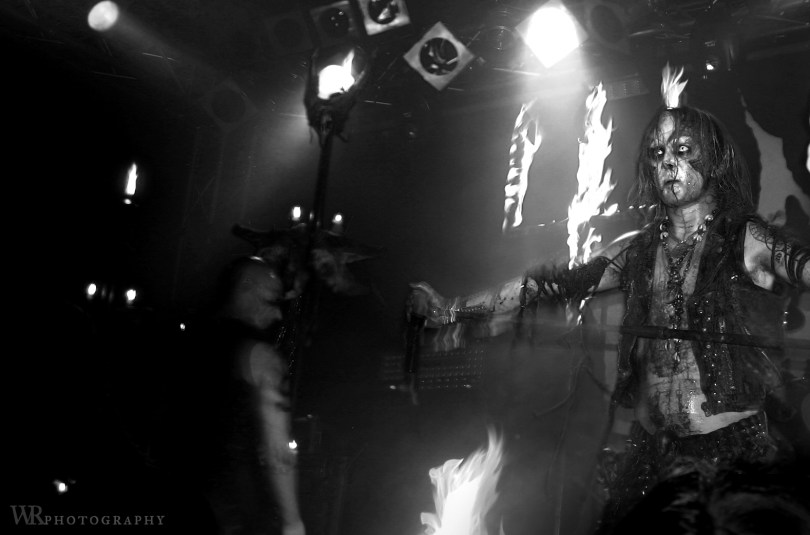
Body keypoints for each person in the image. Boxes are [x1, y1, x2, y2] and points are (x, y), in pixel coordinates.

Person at [406, 68, 809, 531]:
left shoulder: (746, 239)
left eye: (682, 150)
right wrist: (451, 309)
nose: (668, 163)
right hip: (654, 455)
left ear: (713, 160)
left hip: (731, 455)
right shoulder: (636, 251)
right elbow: (543, 285)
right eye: (657, 153)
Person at [175, 256, 306, 535]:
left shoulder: (186, 340)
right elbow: (277, 447)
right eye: (272, 301)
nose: (278, 315)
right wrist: (293, 521)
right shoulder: (261, 357)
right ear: (246, 289)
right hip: (234, 508)